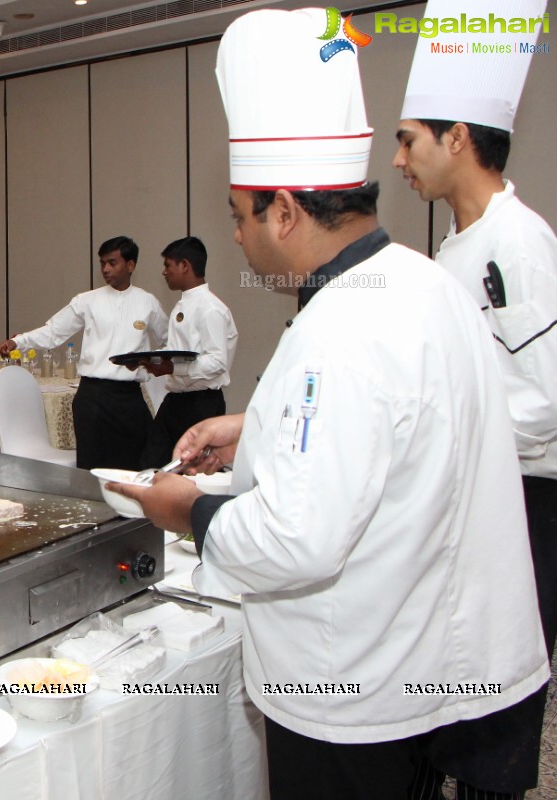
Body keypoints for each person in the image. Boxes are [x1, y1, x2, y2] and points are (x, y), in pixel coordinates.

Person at [108, 9, 547, 800]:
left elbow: (295, 541)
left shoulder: (340, 323)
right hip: (425, 656)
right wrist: (257, 428)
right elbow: (407, 423)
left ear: (284, 211)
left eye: (241, 218)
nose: (236, 240)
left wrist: (185, 513)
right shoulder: (419, 278)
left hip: (353, 686)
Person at [392, 1, 557, 795]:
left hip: (524, 501)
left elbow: (549, 397)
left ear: (458, 138)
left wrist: (438, 437)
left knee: (492, 696)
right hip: (461, 493)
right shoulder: (453, 250)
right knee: (437, 693)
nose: (399, 160)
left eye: (408, 138)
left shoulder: (519, 242)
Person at [0, 236, 167, 470]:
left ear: (130, 265)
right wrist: (19, 342)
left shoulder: (148, 303)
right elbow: (54, 332)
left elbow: (167, 341)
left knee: (140, 465)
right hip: (93, 396)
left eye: (112, 262)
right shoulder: (88, 301)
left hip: (130, 397)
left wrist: (152, 362)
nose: (106, 269)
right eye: (102, 263)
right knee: (91, 470)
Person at [139, 236, 236, 467]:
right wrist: (150, 360)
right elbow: (178, 352)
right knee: (153, 465)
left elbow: (217, 362)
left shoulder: (211, 309)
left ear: (184, 266)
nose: (164, 272)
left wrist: (173, 367)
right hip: (175, 400)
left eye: (167, 265)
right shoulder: (182, 305)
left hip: (201, 403)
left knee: (196, 471)